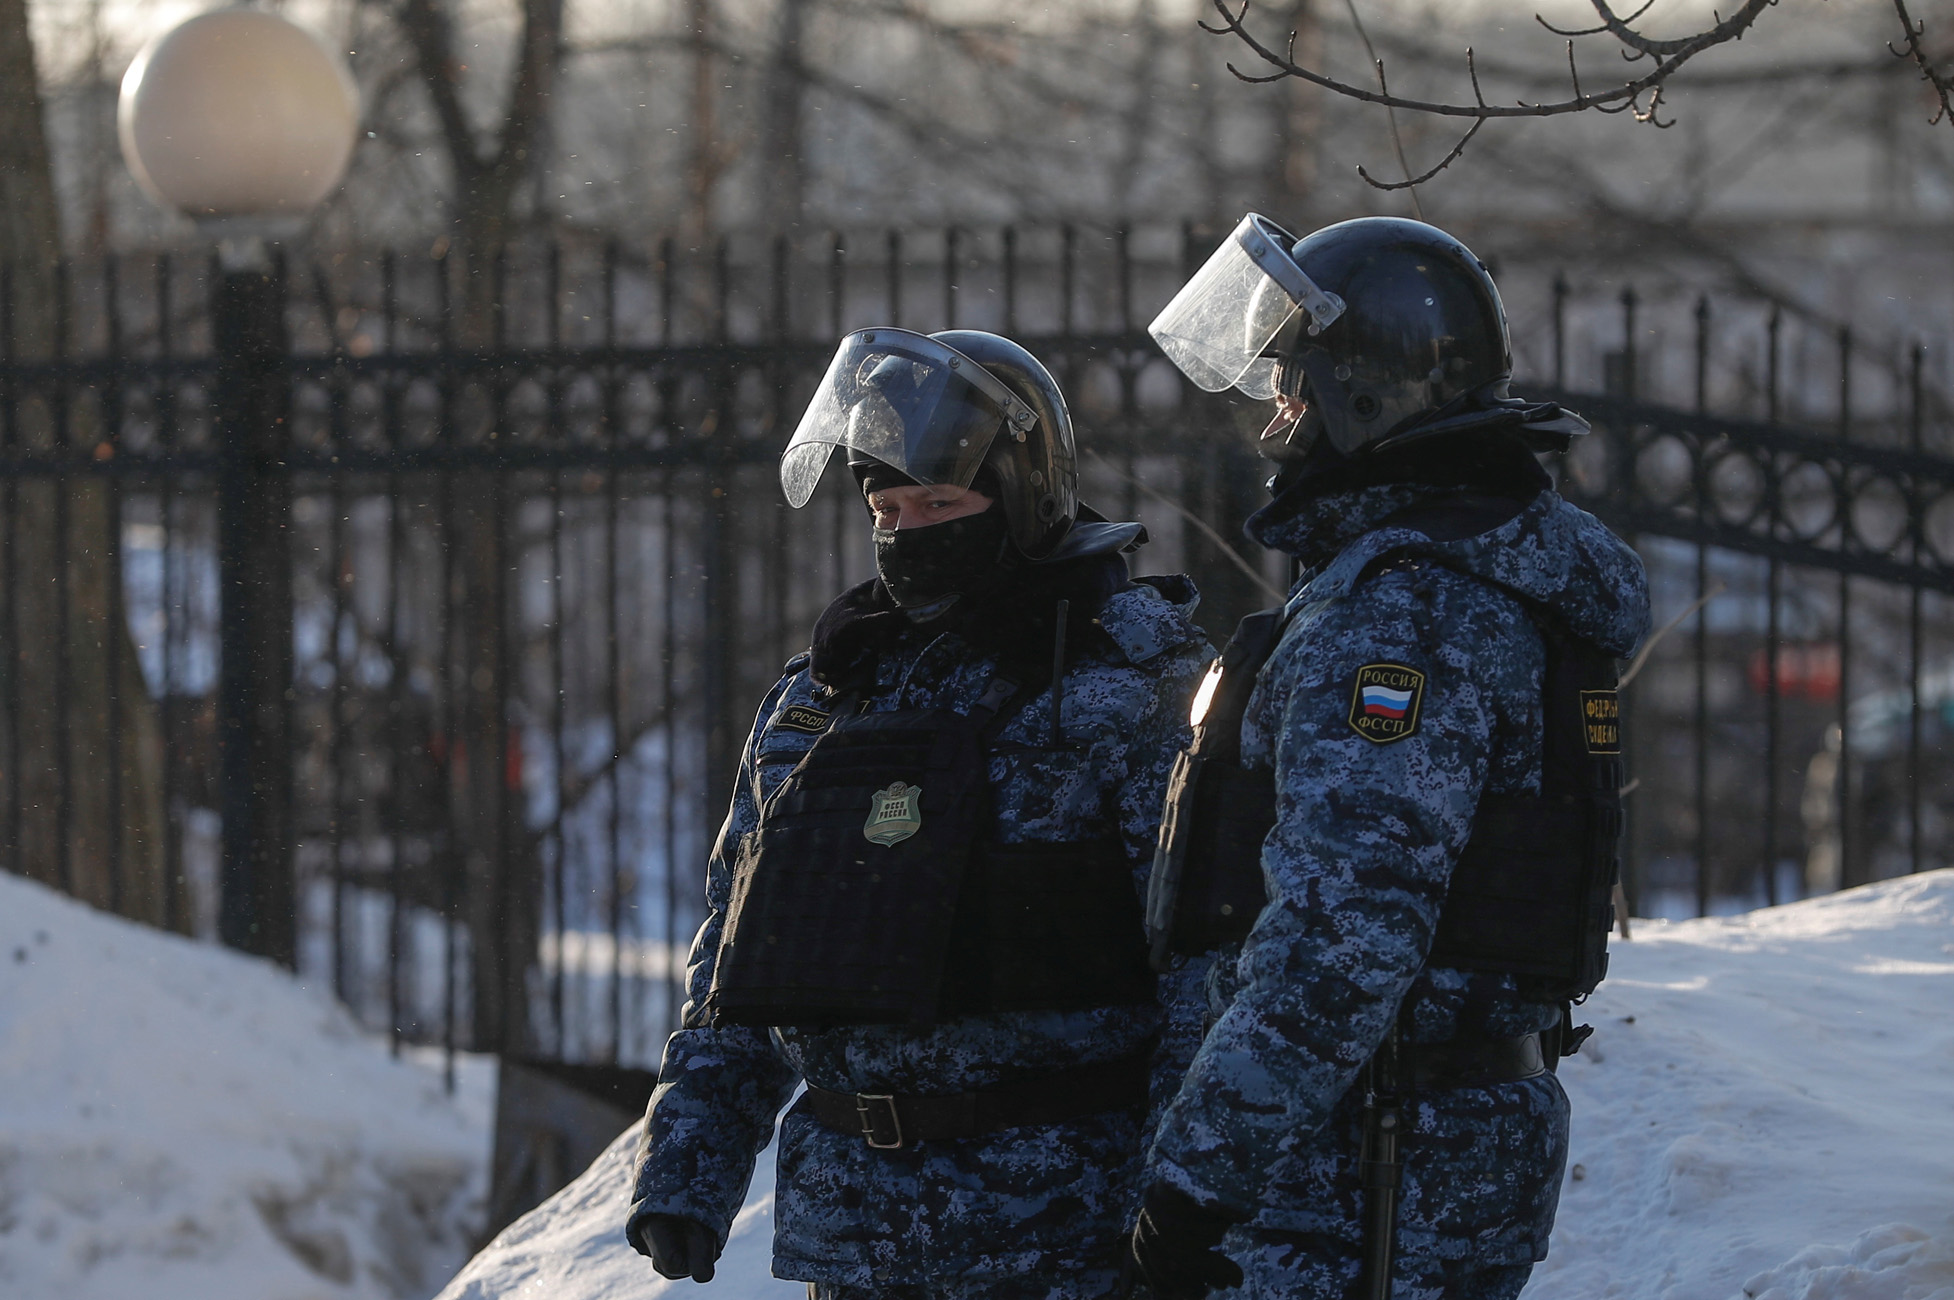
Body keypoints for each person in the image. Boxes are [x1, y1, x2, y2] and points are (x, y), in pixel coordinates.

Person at [624, 327, 1213, 1298]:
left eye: (940, 500)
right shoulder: (819, 700)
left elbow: (1209, 970)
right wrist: (690, 1162)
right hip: (853, 1238)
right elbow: (745, 953)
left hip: (1062, 1231)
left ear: (1021, 496)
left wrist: (1184, 1201)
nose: (908, 528)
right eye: (888, 505)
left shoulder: (1130, 688)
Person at [1130, 215, 1651, 1299]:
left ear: (1365, 390)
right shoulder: (1470, 570)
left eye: (1297, 385)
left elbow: (1347, 930)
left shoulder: (1402, 612)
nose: (1279, 418)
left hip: (1362, 1166)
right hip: (1425, 1143)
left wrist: (1196, 1178)